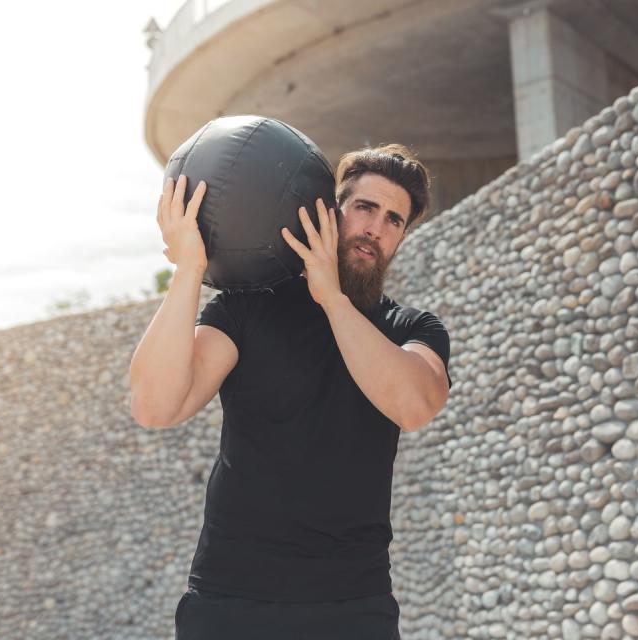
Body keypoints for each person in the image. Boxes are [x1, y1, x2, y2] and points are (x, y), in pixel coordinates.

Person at [128, 144, 453, 639]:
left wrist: (332, 300)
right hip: (229, 601)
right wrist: (190, 270)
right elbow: (154, 406)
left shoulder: (411, 328)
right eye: (364, 208)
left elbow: (416, 404)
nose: (376, 229)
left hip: (351, 608)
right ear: (331, 211)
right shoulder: (246, 307)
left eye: (394, 221)